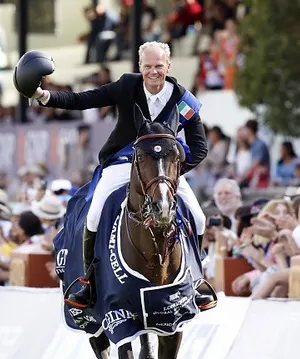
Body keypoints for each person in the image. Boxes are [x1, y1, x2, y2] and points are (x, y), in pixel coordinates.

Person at [28, 41, 208, 306]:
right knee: (94, 214)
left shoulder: (183, 101)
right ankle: (88, 281)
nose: (154, 72)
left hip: (163, 171)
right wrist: (45, 96)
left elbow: (200, 148)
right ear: (140, 66)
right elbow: (85, 100)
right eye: (148, 66)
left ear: (168, 66)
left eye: (159, 66)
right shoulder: (127, 86)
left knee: (199, 218)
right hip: (123, 161)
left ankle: (197, 279)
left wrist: (171, 172)